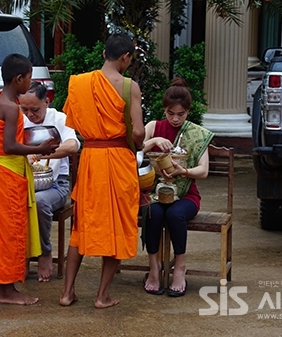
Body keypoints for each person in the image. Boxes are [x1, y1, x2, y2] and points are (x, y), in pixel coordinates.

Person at [59, 33, 145, 308]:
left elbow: (73, 120)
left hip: (91, 161)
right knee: (117, 226)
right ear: (125, 58)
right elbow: (140, 132)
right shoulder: (129, 86)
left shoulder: (80, 83)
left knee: (81, 227)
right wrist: (139, 140)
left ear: (102, 54)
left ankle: (67, 293)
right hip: (118, 159)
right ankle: (102, 295)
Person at [0, 53, 59, 305]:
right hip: (5, 174)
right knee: (8, 233)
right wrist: (38, 150)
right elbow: (9, 146)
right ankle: (6, 290)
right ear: (18, 78)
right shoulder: (10, 107)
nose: (30, 82)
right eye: (28, 78)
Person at [141, 78, 214, 297]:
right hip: (155, 191)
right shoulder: (154, 127)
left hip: (185, 195)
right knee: (152, 212)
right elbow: (136, 151)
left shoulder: (196, 134)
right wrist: (155, 140)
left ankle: (179, 266)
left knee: (174, 214)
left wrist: (184, 172)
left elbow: (204, 170)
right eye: (170, 113)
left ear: (188, 112)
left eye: (180, 114)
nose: (174, 119)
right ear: (164, 110)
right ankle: (154, 266)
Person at [19, 81, 80, 282]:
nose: (29, 115)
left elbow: (72, 146)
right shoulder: (19, 120)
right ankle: (23, 256)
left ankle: (44, 252)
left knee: (39, 202)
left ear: (47, 101)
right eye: (24, 109)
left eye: (34, 109)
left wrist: (37, 154)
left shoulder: (60, 119)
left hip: (56, 184)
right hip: (25, 182)